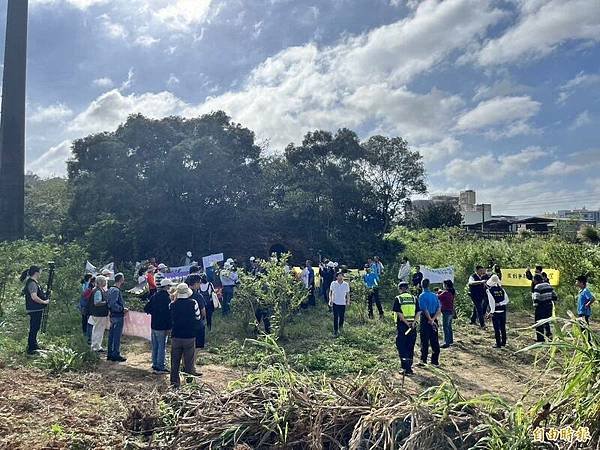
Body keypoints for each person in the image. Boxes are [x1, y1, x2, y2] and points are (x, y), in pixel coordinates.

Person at [170, 283, 202, 387]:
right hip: (189, 335)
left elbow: (170, 319)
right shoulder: (193, 303)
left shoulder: (172, 305)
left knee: (175, 361)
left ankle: (174, 383)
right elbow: (198, 317)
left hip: (176, 336)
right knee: (189, 361)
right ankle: (189, 383)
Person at [144, 278, 173, 373]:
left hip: (154, 324)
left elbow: (146, 308)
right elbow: (168, 315)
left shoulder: (154, 296)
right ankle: (160, 366)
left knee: (155, 345)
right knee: (162, 346)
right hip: (163, 326)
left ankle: (155, 364)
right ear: (167, 287)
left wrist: (154, 312)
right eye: (169, 286)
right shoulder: (167, 298)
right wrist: (169, 327)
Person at [392, 281, 420, 375]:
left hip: (403, 326)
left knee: (401, 346)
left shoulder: (398, 298)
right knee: (410, 346)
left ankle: (405, 368)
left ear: (400, 289)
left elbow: (399, 313)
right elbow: (418, 312)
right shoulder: (414, 298)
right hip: (413, 326)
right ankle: (409, 368)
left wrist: (406, 323)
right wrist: (414, 322)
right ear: (407, 288)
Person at [21, 266, 49, 355]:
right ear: (36, 272)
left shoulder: (33, 282)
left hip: (36, 309)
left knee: (35, 327)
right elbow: (34, 297)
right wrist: (44, 301)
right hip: (34, 309)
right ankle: (31, 347)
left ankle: (34, 345)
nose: (40, 274)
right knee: (34, 327)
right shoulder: (32, 283)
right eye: (40, 272)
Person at [418, 279, 441, 366]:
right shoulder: (435, 296)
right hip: (434, 319)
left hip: (425, 319)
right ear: (429, 285)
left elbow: (424, 309)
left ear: (421, 285)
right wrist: (433, 319)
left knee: (424, 340)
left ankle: (423, 360)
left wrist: (429, 319)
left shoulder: (422, 296)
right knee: (434, 340)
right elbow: (439, 309)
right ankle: (435, 361)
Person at [107, 273, 127, 362]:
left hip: (113, 315)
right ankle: (115, 354)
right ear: (121, 280)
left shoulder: (111, 289)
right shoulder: (116, 290)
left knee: (111, 335)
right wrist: (122, 309)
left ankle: (110, 353)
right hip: (117, 315)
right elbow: (113, 304)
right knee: (116, 336)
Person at [486, 275, 509, 348]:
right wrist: (500, 303)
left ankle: (498, 344)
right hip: (503, 310)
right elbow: (506, 300)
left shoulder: (489, 290)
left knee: (496, 328)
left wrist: (491, 312)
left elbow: (492, 302)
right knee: (503, 327)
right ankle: (504, 342)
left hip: (495, 312)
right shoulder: (502, 289)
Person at [532, 274, 556, 342]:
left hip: (541, 306)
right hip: (549, 306)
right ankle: (549, 336)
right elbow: (555, 296)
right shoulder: (548, 285)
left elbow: (536, 298)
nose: (533, 281)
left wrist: (535, 306)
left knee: (539, 323)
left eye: (533, 279)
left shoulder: (537, 287)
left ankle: (540, 339)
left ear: (536, 280)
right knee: (547, 321)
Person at [88, 275, 109, 352]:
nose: (105, 282)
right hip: (99, 313)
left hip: (98, 313)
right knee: (98, 330)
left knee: (98, 330)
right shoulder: (97, 291)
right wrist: (106, 302)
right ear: (101, 282)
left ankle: (97, 346)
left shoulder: (97, 290)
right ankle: (95, 347)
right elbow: (97, 303)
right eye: (104, 281)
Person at [188, 274, 207, 350]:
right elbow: (203, 311)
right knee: (197, 347)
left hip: (183, 325)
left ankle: (185, 362)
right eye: (199, 283)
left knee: (186, 348)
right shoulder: (198, 296)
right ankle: (192, 362)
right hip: (197, 324)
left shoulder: (181, 294)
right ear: (195, 283)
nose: (200, 284)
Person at [329, 271, 350, 337]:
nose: (340, 277)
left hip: (342, 302)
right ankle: (335, 330)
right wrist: (330, 300)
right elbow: (330, 292)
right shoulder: (333, 283)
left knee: (341, 317)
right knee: (335, 317)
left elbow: (348, 294)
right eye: (339, 276)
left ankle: (341, 328)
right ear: (336, 277)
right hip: (335, 302)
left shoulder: (346, 284)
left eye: (341, 276)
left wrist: (348, 301)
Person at [437, 280, 455, 348]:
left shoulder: (445, 293)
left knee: (445, 327)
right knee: (449, 326)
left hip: (446, 311)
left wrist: (438, 292)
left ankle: (446, 342)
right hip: (450, 311)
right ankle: (450, 341)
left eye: (444, 284)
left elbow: (437, 297)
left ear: (446, 285)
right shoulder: (451, 292)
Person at [82, 276, 96, 343]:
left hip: (88, 309)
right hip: (89, 309)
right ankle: (89, 338)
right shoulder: (89, 291)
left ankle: (89, 337)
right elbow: (86, 299)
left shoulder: (89, 290)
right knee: (90, 324)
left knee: (89, 323)